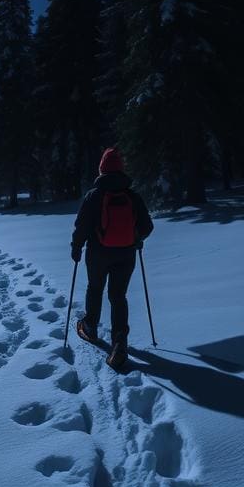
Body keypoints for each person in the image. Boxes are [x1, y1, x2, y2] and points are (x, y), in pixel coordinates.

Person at [71, 147, 154, 369]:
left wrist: (76, 247)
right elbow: (147, 226)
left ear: (102, 169)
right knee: (118, 296)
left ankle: (90, 327)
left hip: (97, 253)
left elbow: (82, 226)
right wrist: (136, 237)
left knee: (95, 288)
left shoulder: (94, 196)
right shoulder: (132, 196)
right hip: (126, 254)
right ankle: (120, 342)